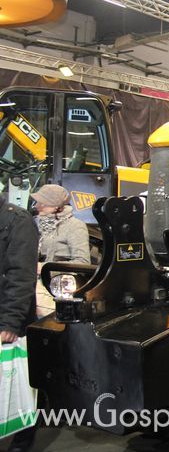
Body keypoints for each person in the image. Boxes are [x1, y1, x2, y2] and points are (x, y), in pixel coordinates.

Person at [0, 193, 40, 452]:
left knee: (19, 387)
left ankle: (21, 444)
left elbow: (21, 275)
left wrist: (10, 322)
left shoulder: (18, 221)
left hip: (8, 319)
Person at [31, 184, 90, 317]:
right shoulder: (35, 223)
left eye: (42, 203)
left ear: (56, 206)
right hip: (32, 277)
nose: (36, 206)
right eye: (37, 202)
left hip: (56, 283)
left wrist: (45, 268)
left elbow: (83, 262)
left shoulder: (75, 226)